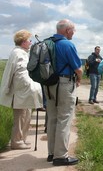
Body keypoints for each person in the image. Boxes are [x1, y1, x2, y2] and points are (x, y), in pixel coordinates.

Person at [44, 19, 83, 166]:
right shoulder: (67, 44)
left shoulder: (47, 43)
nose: (74, 32)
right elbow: (78, 68)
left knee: (53, 117)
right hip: (64, 83)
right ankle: (61, 156)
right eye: (73, 30)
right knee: (64, 118)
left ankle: (51, 153)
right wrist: (79, 79)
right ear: (67, 31)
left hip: (48, 85)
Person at [0, 29, 43, 150]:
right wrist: (35, 86)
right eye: (29, 40)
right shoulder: (19, 54)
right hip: (21, 92)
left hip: (24, 92)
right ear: (23, 42)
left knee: (26, 115)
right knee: (20, 117)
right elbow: (21, 75)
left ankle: (22, 139)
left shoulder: (21, 53)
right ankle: (17, 142)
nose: (30, 42)